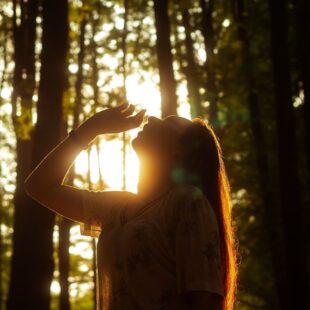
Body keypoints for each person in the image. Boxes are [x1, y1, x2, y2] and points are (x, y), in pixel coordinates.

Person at [25, 103, 238, 310]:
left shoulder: (187, 202)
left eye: (169, 123)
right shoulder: (116, 208)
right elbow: (39, 186)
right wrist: (92, 128)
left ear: (180, 151)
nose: (153, 118)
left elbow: (204, 298)